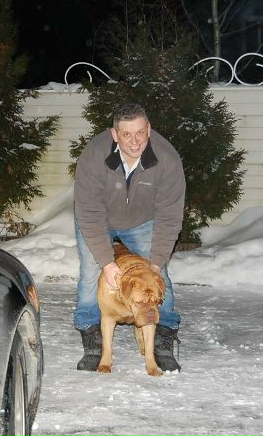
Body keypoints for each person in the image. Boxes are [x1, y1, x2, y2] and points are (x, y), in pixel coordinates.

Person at [73, 102, 185, 372]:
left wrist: (155, 265)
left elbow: (170, 218)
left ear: (149, 129)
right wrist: (107, 263)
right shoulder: (94, 156)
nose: (134, 142)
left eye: (140, 133)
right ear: (114, 135)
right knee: (91, 273)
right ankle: (92, 336)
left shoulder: (167, 160)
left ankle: (163, 336)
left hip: (142, 221)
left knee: (160, 279)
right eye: (126, 134)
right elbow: (88, 212)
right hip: (98, 219)